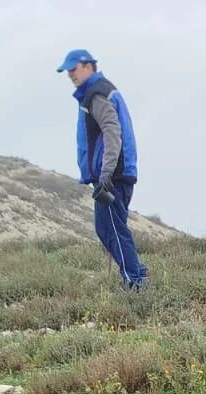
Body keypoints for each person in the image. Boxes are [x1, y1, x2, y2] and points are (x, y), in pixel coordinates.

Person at [57, 48, 147, 290]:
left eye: (73, 69)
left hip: (113, 175)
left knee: (112, 228)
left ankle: (134, 280)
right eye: (68, 71)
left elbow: (111, 131)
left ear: (88, 66)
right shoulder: (100, 91)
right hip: (116, 172)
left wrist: (106, 173)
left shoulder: (97, 95)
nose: (71, 75)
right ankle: (134, 273)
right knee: (108, 227)